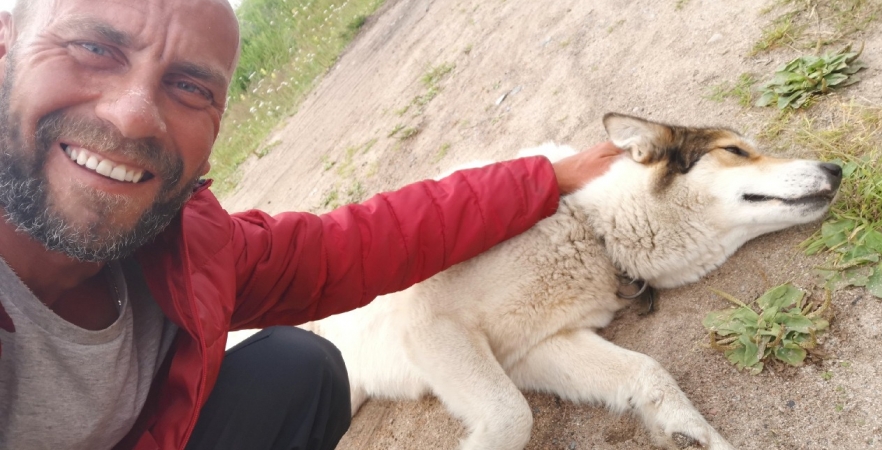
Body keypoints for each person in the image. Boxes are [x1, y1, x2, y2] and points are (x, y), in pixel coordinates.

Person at [0, 0, 623, 449]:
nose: (134, 117)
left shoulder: (182, 243)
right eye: (94, 49)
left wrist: (548, 177)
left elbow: (351, 246)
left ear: (216, 129)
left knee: (296, 370)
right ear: (6, 48)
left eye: (188, 87)